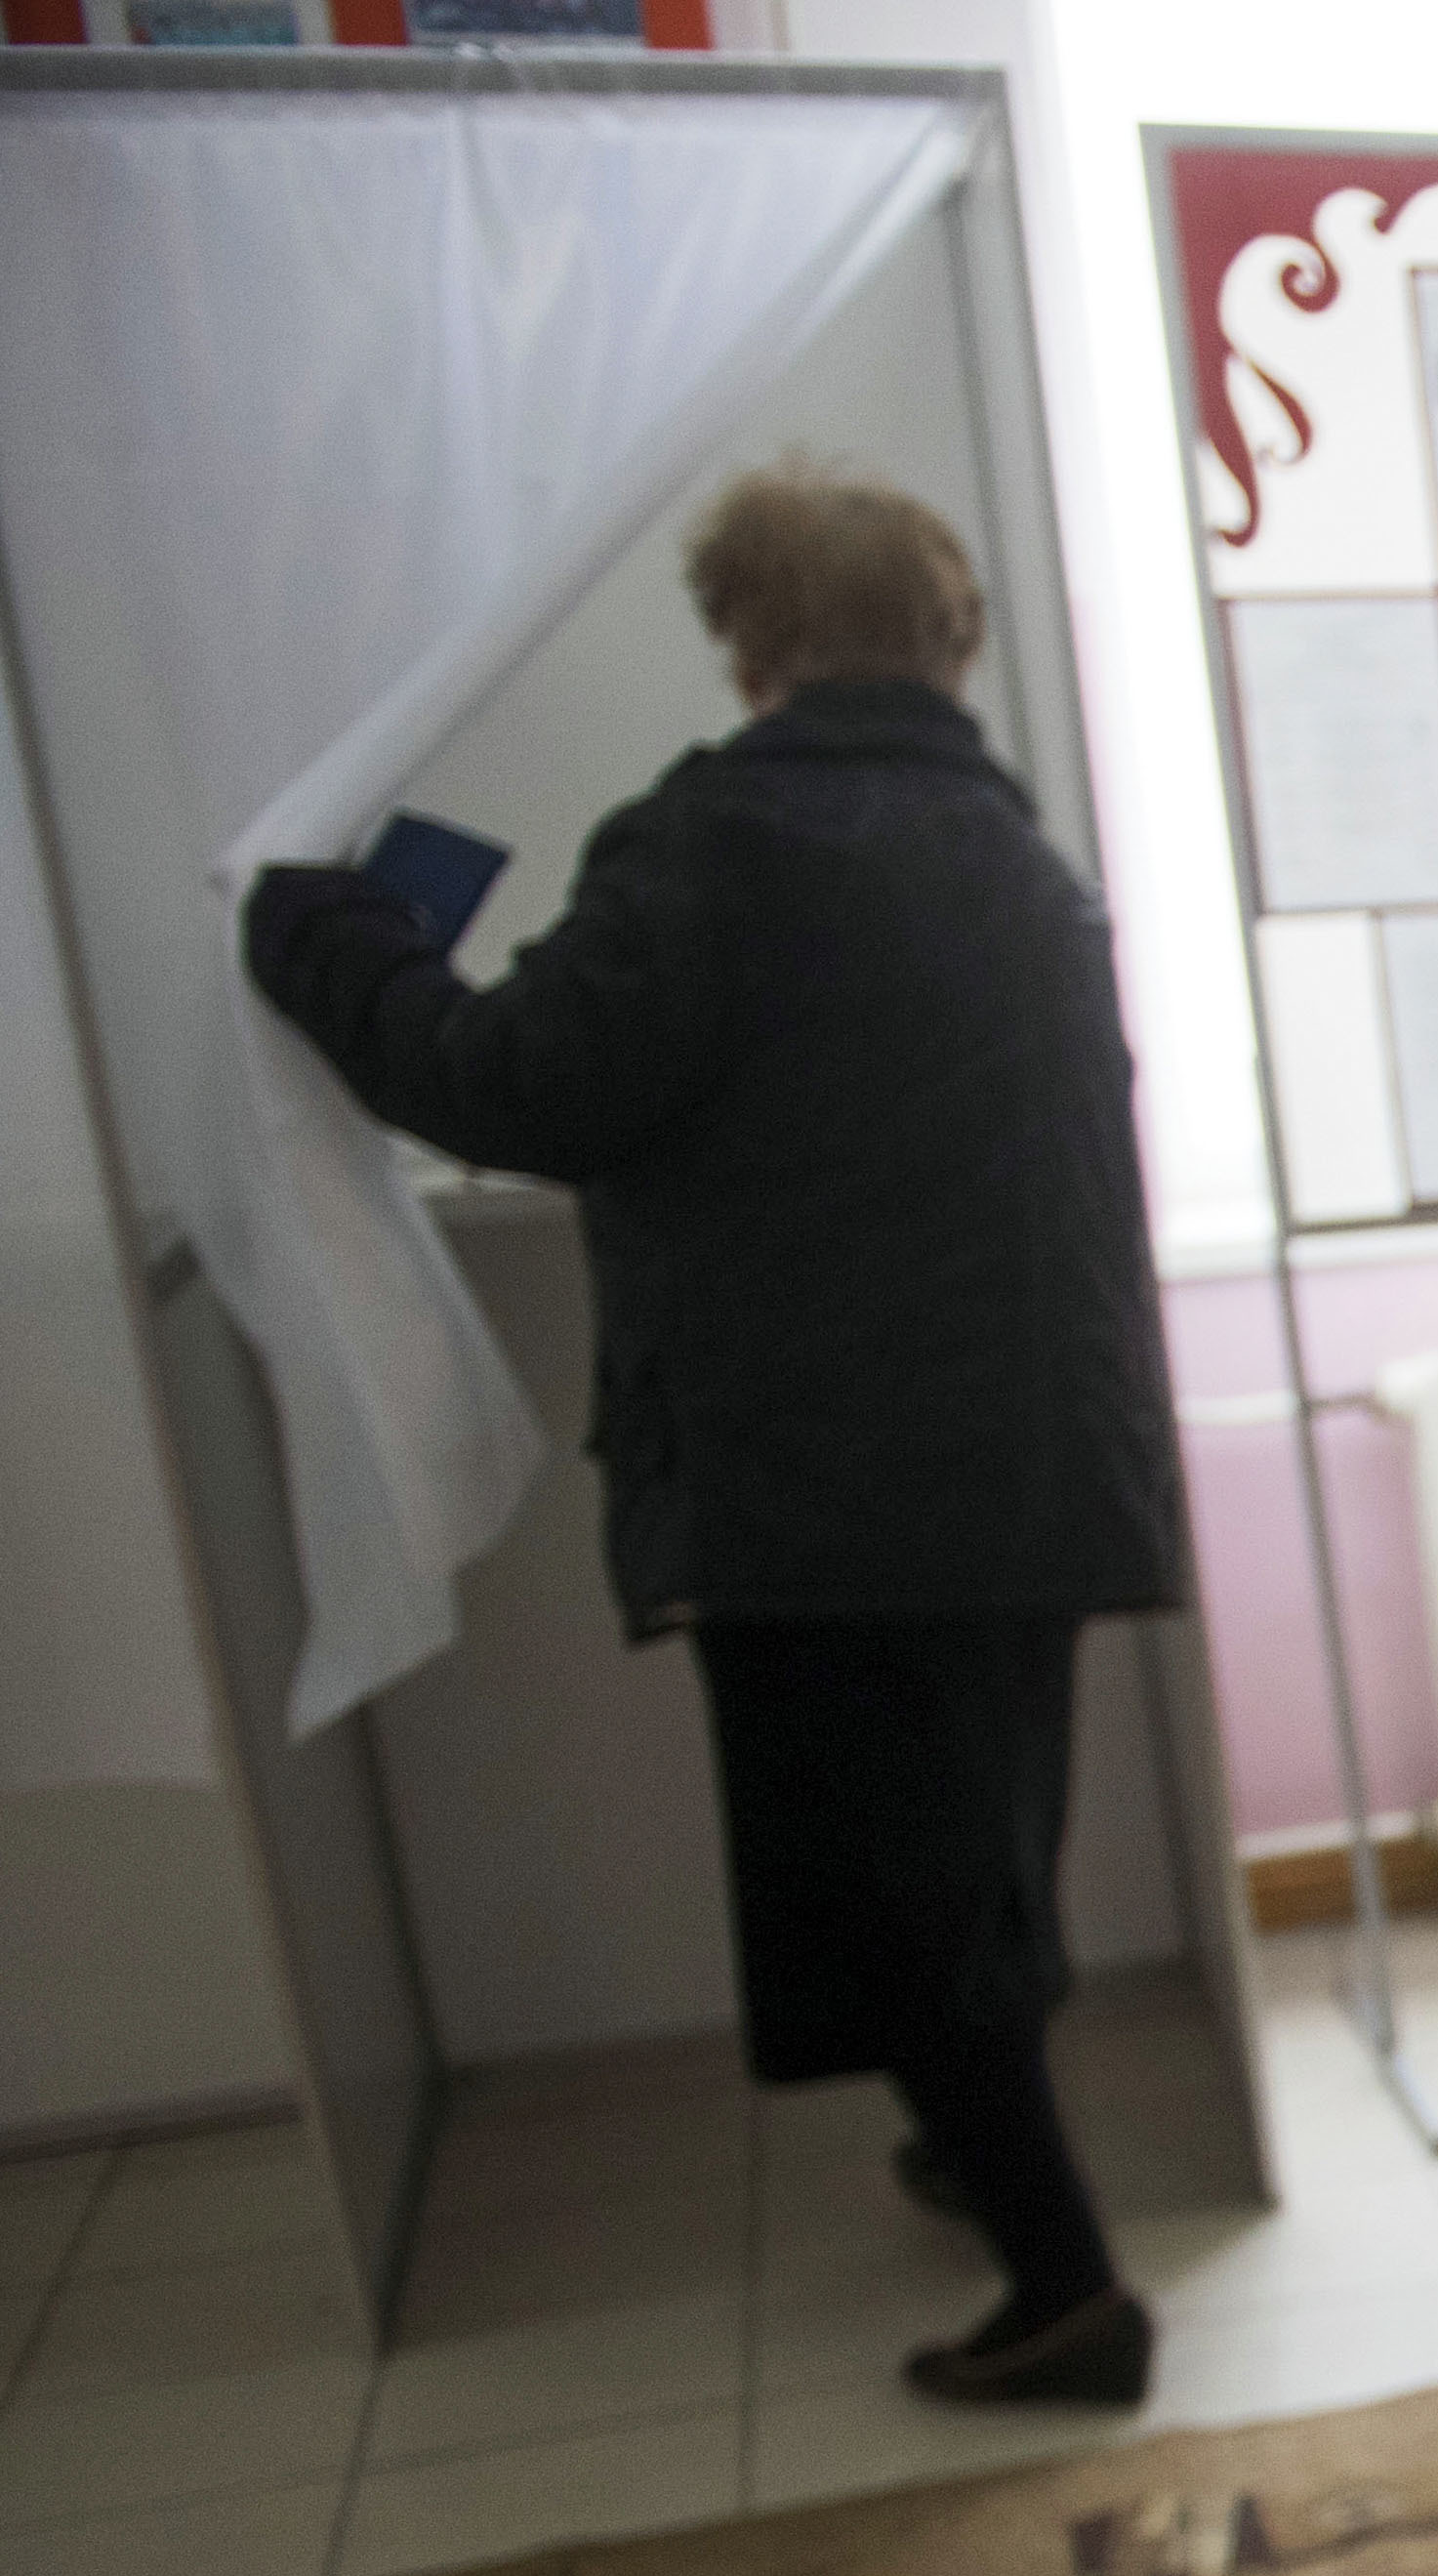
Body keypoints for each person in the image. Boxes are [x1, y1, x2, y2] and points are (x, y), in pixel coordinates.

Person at [241, 462, 1186, 2407]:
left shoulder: (720, 844)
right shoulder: (1018, 864)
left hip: (831, 1488)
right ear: (947, 644)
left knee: (903, 1890)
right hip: (1031, 1460)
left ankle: (1071, 2287)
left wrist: (322, 939)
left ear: (750, 645)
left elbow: (522, 1082)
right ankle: (971, 2141)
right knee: (987, 1851)